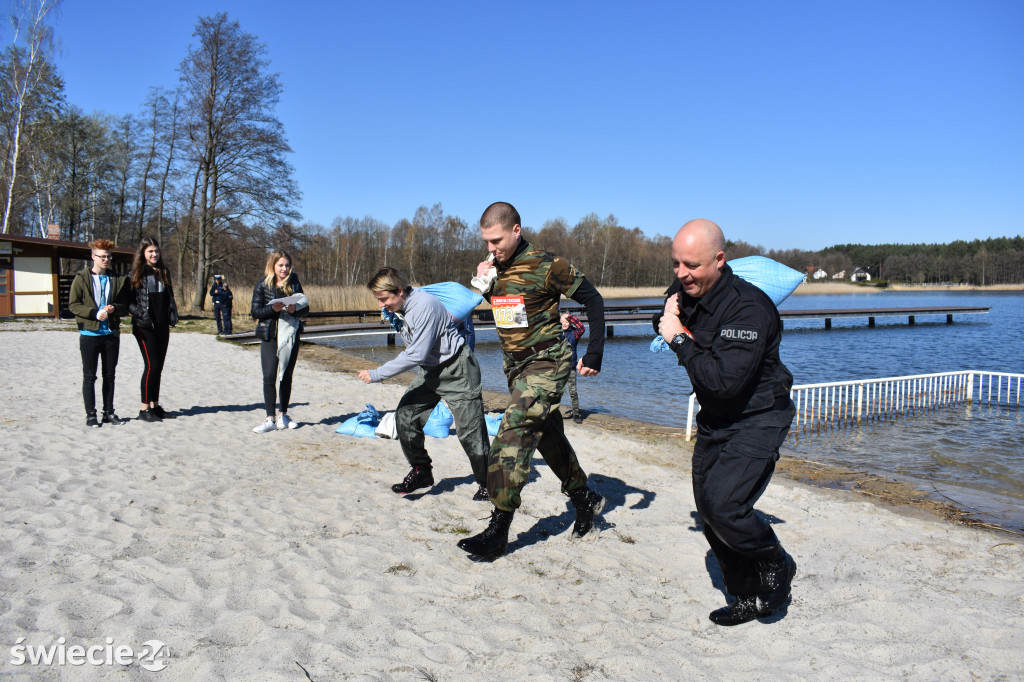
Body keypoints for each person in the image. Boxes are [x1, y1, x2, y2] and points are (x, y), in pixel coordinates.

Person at [654, 218, 797, 626]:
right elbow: (663, 321)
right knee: (709, 509)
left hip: (759, 416)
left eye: (691, 265)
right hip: (716, 419)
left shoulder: (748, 308)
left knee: (725, 503)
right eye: (676, 264)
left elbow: (722, 382)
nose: (681, 274)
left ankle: (775, 560)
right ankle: (745, 595)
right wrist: (668, 319)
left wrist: (679, 338)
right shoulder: (688, 288)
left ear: (719, 259)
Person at [457, 201, 607, 561]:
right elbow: (505, 309)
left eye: (496, 241)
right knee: (545, 433)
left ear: (516, 230)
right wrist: (484, 284)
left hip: (548, 363)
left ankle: (498, 529)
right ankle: (585, 498)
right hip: (515, 367)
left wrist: (595, 352)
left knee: (515, 431)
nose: (491, 248)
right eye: (486, 242)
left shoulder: (548, 265)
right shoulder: (495, 267)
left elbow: (594, 300)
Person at [357, 267, 491, 500]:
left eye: (384, 299)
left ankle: (489, 483)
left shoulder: (424, 306)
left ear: (399, 291)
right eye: (378, 300)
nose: (381, 305)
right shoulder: (402, 306)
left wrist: (377, 373)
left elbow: (415, 354)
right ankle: (422, 471)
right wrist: (395, 317)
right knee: (405, 415)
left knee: (470, 433)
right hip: (431, 371)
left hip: (457, 370)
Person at [68, 239, 130, 427]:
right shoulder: (81, 278)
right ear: (93, 257)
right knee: (89, 376)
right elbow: (73, 305)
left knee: (109, 376)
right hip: (89, 335)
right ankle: (91, 414)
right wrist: (94, 313)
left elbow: (126, 306)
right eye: (102, 256)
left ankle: (109, 412)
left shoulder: (118, 279)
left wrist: (114, 309)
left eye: (108, 256)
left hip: (111, 334)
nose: (106, 260)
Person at [250, 250, 309, 433]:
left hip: (290, 336)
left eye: (287, 265)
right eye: (281, 265)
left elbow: (305, 309)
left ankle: (283, 415)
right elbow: (255, 312)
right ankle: (270, 419)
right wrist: (272, 309)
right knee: (269, 377)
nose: (284, 269)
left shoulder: (294, 282)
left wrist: (294, 310)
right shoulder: (262, 285)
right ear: (273, 265)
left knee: (286, 376)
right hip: (269, 336)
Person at [129, 236, 179, 422]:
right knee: (151, 366)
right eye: (150, 251)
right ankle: (144, 409)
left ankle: (155, 406)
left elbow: (169, 297)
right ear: (143, 253)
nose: (154, 254)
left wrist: (173, 312)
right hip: (144, 326)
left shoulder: (164, 271)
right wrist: (140, 314)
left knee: (159, 367)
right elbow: (129, 301)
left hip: (162, 325)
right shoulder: (137, 272)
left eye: (156, 251)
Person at [560, 312, 585, 423]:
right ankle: (552, 413)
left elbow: (582, 327)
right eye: (563, 322)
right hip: (559, 367)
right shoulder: (556, 333)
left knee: (573, 392)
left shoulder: (575, 333)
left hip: (571, 366)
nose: (565, 324)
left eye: (567, 322)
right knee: (556, 391)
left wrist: (569, 316)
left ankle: (576, 414)